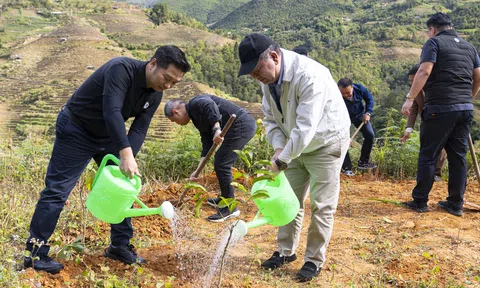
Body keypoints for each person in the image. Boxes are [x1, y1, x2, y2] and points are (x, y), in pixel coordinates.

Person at [24, 46, 191, 274]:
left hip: (108, 136)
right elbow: (111, 110)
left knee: (124, 186)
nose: (168, 86)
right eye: (167, 78)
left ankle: (119, 245)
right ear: (153, 63)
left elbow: (139, 129)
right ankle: (35, 255)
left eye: (175, 83)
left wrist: (130, 158)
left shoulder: (155, 94)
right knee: (57, 191)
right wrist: (124, 152)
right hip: (77, 129)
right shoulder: (120, 69)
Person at [238, 33, 350, 282]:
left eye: (257, 71)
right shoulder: (267, 80)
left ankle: (313, 260)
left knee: (322, 205)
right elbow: (270, 119)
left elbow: (306, 127)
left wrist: (280, 160)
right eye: (252, 74)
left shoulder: (310, 75)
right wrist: (279, 149)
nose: (256, 77)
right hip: (293, 145)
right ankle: (285, 251)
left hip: (326, 142)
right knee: (290, 199)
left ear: (274, 57)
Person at [401, 12, 480, 216]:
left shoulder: (433, 43)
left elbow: (424, 71)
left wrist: (410, 98)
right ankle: (455, 204)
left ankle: (419, 202)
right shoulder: (469, 47)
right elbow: (478, 77)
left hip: (440, 108)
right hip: (464, 108)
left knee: (428, 154)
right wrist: (467, 98)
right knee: (458, 157)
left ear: (433, 29)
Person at [164, 95, 256, 222]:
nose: (177, 124)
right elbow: (207, 142)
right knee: (220, 161)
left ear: (176, 112)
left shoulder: (196, 103)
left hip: (240, 123)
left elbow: (210, 105)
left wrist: (217, 129)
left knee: (222, 163)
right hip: (235, 127)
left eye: (174, 120)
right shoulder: (196, 118)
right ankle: (224, 199)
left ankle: (230, 207)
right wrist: (197, 171)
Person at [401, 64, 447, 182]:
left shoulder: (436, 87)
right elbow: (413, 109)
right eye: (410, 81)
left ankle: (437, 174)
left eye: (414, 80)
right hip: (427, 121)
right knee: (426, 147)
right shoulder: (414, 92)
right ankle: (425, 175)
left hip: (442, 120)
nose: (412, 83)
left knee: (442, 147)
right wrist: (408, 128)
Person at [338, 78, 377, 176]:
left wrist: (368, 112)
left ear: (352, 87)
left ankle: (363, 162)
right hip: (343, 118)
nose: (345, 95)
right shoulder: (335, 94)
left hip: (360, 115)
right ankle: (347, 168)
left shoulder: (360, 88)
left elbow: (369, 99)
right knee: (343, 141)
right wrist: (346, 136)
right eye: (342, 93)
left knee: (370, 135)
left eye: (348, 92)